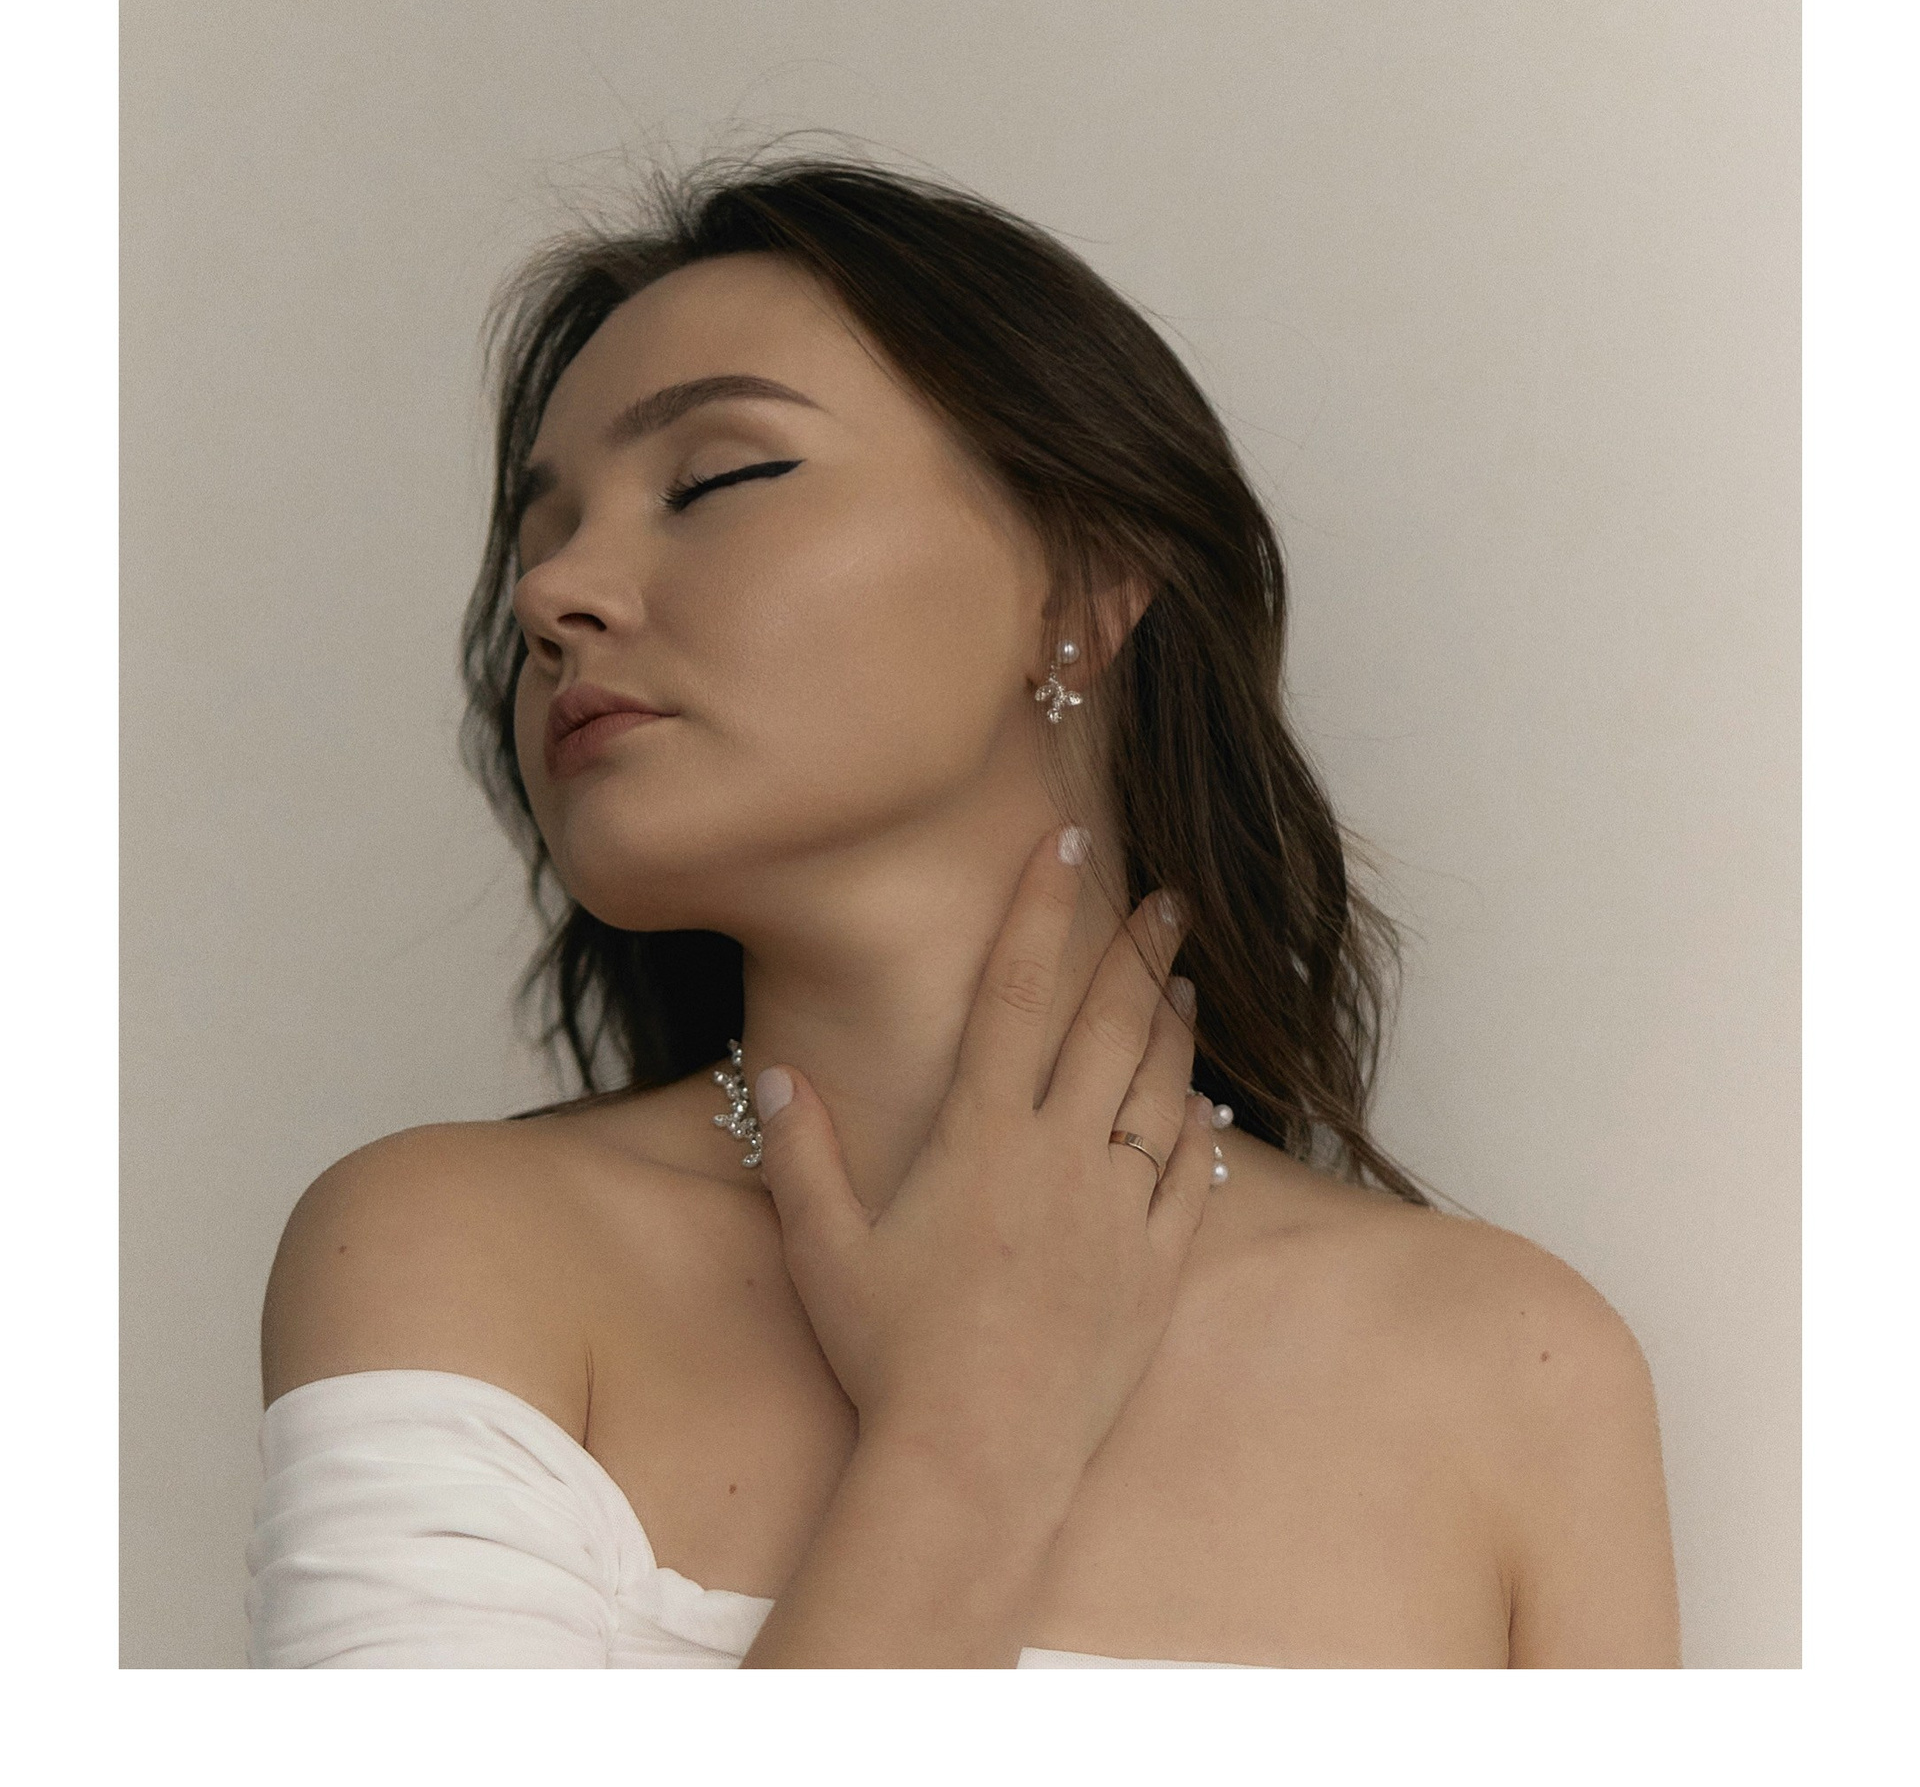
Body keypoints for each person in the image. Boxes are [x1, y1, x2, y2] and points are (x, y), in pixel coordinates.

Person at [247, 150, 1682, 1667]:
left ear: (1083, 583)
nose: (553, 596)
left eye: (717, 479)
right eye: (543, 539)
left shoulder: (1519, 1375)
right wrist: (969, 1436)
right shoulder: (455, 1251)